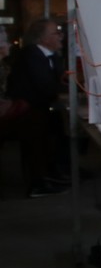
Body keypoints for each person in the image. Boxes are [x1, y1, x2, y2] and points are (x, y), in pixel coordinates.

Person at [1, 20, 66, 196]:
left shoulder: (51, 56)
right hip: (17, 112)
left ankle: (52, 172)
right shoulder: (30, 55)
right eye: (56, 33)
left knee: (51, 122)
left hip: (23, 108)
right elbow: (45, 86)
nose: (60, 36)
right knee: (37, 125)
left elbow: (57, 81)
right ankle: (38, 182)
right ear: (43, 38)